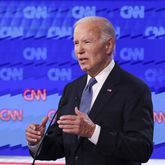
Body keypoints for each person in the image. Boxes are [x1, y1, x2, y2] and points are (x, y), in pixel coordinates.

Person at [26, 16, 153, 165]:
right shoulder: (72, 89)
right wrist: (38, 141)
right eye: (76, 43)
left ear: (109, 45)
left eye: (87, 42)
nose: (79, 50)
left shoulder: (134, 89)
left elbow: (141, 149)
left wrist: (93, 132)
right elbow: (60, 145)